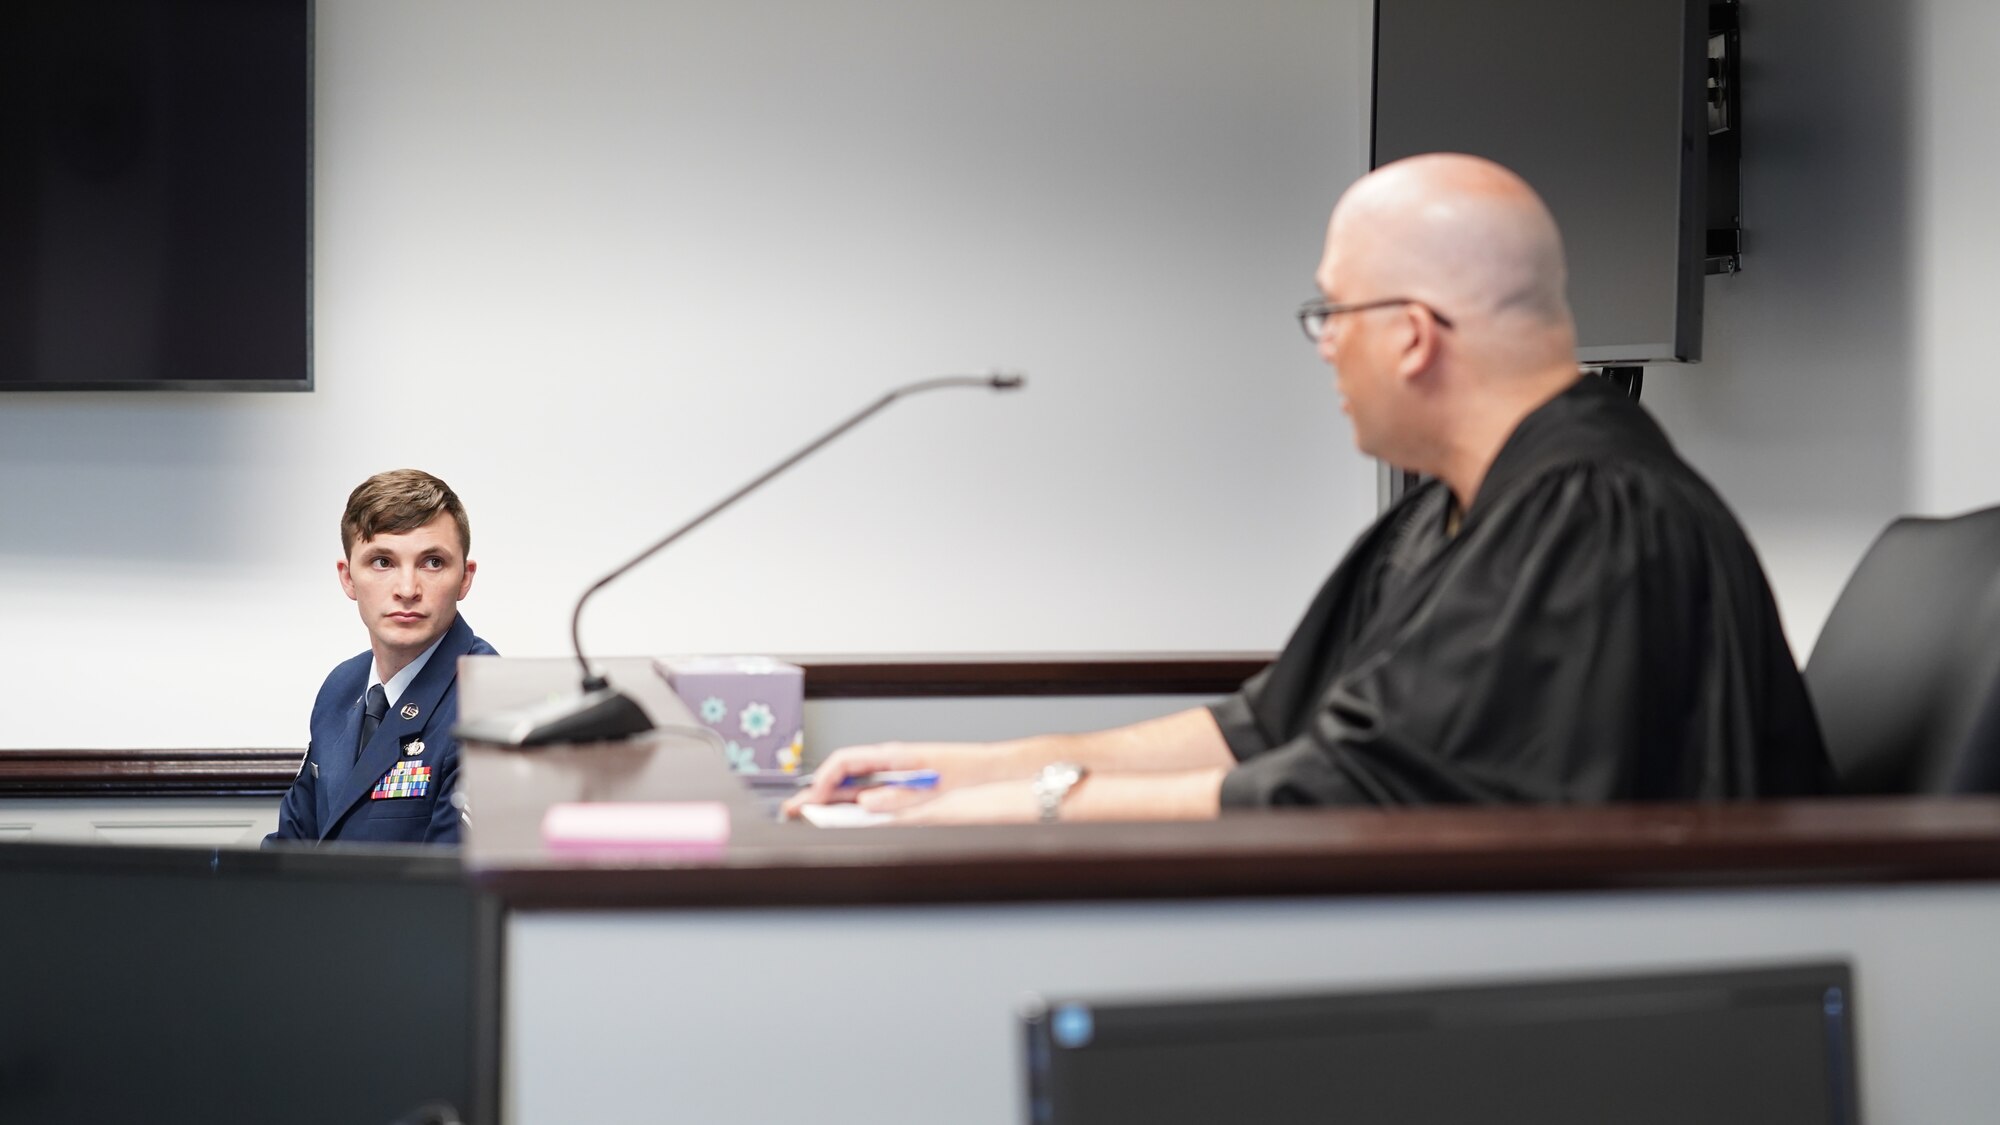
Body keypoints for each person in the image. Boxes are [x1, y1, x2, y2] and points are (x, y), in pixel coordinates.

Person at [786, 153, 1831, 825]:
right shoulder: (1454, 512)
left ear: (1411, 335)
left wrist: (1041, 808)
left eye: (1332, 312)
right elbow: (1263, 731)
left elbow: (1362, 795)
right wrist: (969, 770)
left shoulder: (1593, 520)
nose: (1324, 345)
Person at [266, 469, 496, 846]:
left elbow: (448, 884)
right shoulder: (342, 686)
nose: (407, 589)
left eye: (433, 562)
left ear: (465, 578)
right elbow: (290, 846)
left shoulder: (486, 698)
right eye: (382, 562)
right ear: (347, 578)